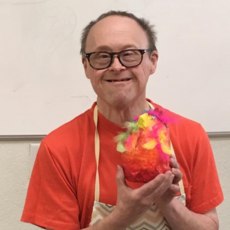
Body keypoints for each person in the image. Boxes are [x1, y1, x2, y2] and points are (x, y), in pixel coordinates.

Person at [21, 11, 223, 230]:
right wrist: (122, 217)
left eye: (129, 54)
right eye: (102, 56)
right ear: (86, 66)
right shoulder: (58, 148)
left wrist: (168, 203)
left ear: (152, 61)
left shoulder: (190, 135)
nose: (116, 66)